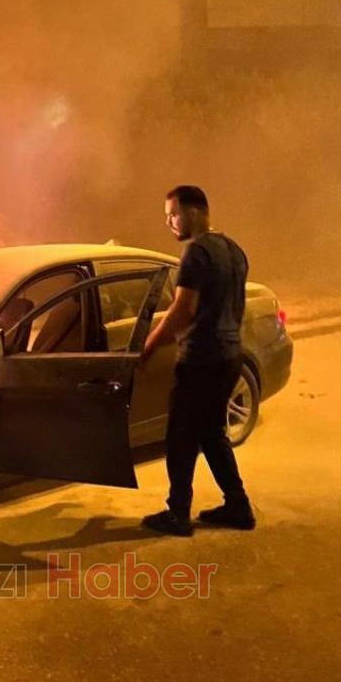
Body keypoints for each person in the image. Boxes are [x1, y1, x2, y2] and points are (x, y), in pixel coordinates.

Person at [140, 185, 256, 536]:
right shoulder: (234, 251)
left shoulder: (195, 253)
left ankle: (177, 513)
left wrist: (147, 347)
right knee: (211, 433)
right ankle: (237, 506)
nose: (169, 222)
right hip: (229, 357)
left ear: (194, 211)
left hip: (202, 361)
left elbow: (182, 311)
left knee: (180, 436)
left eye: (173, 214)